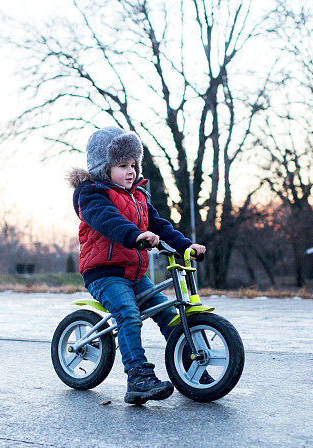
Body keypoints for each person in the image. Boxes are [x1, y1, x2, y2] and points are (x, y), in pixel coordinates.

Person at [68, 127, 208, 405]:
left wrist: (185, 246)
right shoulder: (91, 194)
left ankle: (192, 364)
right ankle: (138, 376)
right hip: (104, 272)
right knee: (129, 314)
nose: (130, 171)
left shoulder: (139, 196)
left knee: (168, 312)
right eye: (122, 165)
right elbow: (108, 220)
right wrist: (135, 236)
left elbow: (159, 225)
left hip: (134, 272)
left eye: (133, 164)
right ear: (103, 167)